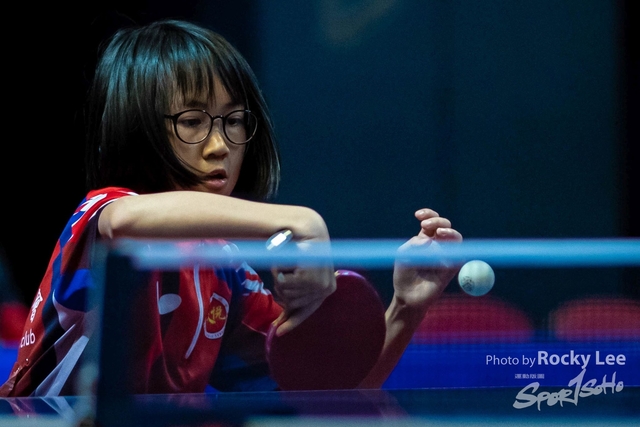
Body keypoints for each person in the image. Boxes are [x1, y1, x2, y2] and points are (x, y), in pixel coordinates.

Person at [0, 19, 462, 397]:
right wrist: (299, 220)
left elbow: (322, 396)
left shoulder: (224, 269)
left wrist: (405, 308)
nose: (220, 145)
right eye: (192, 121)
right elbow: (125, 222)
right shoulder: (103, 213)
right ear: (137, 129)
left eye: (235, 121)